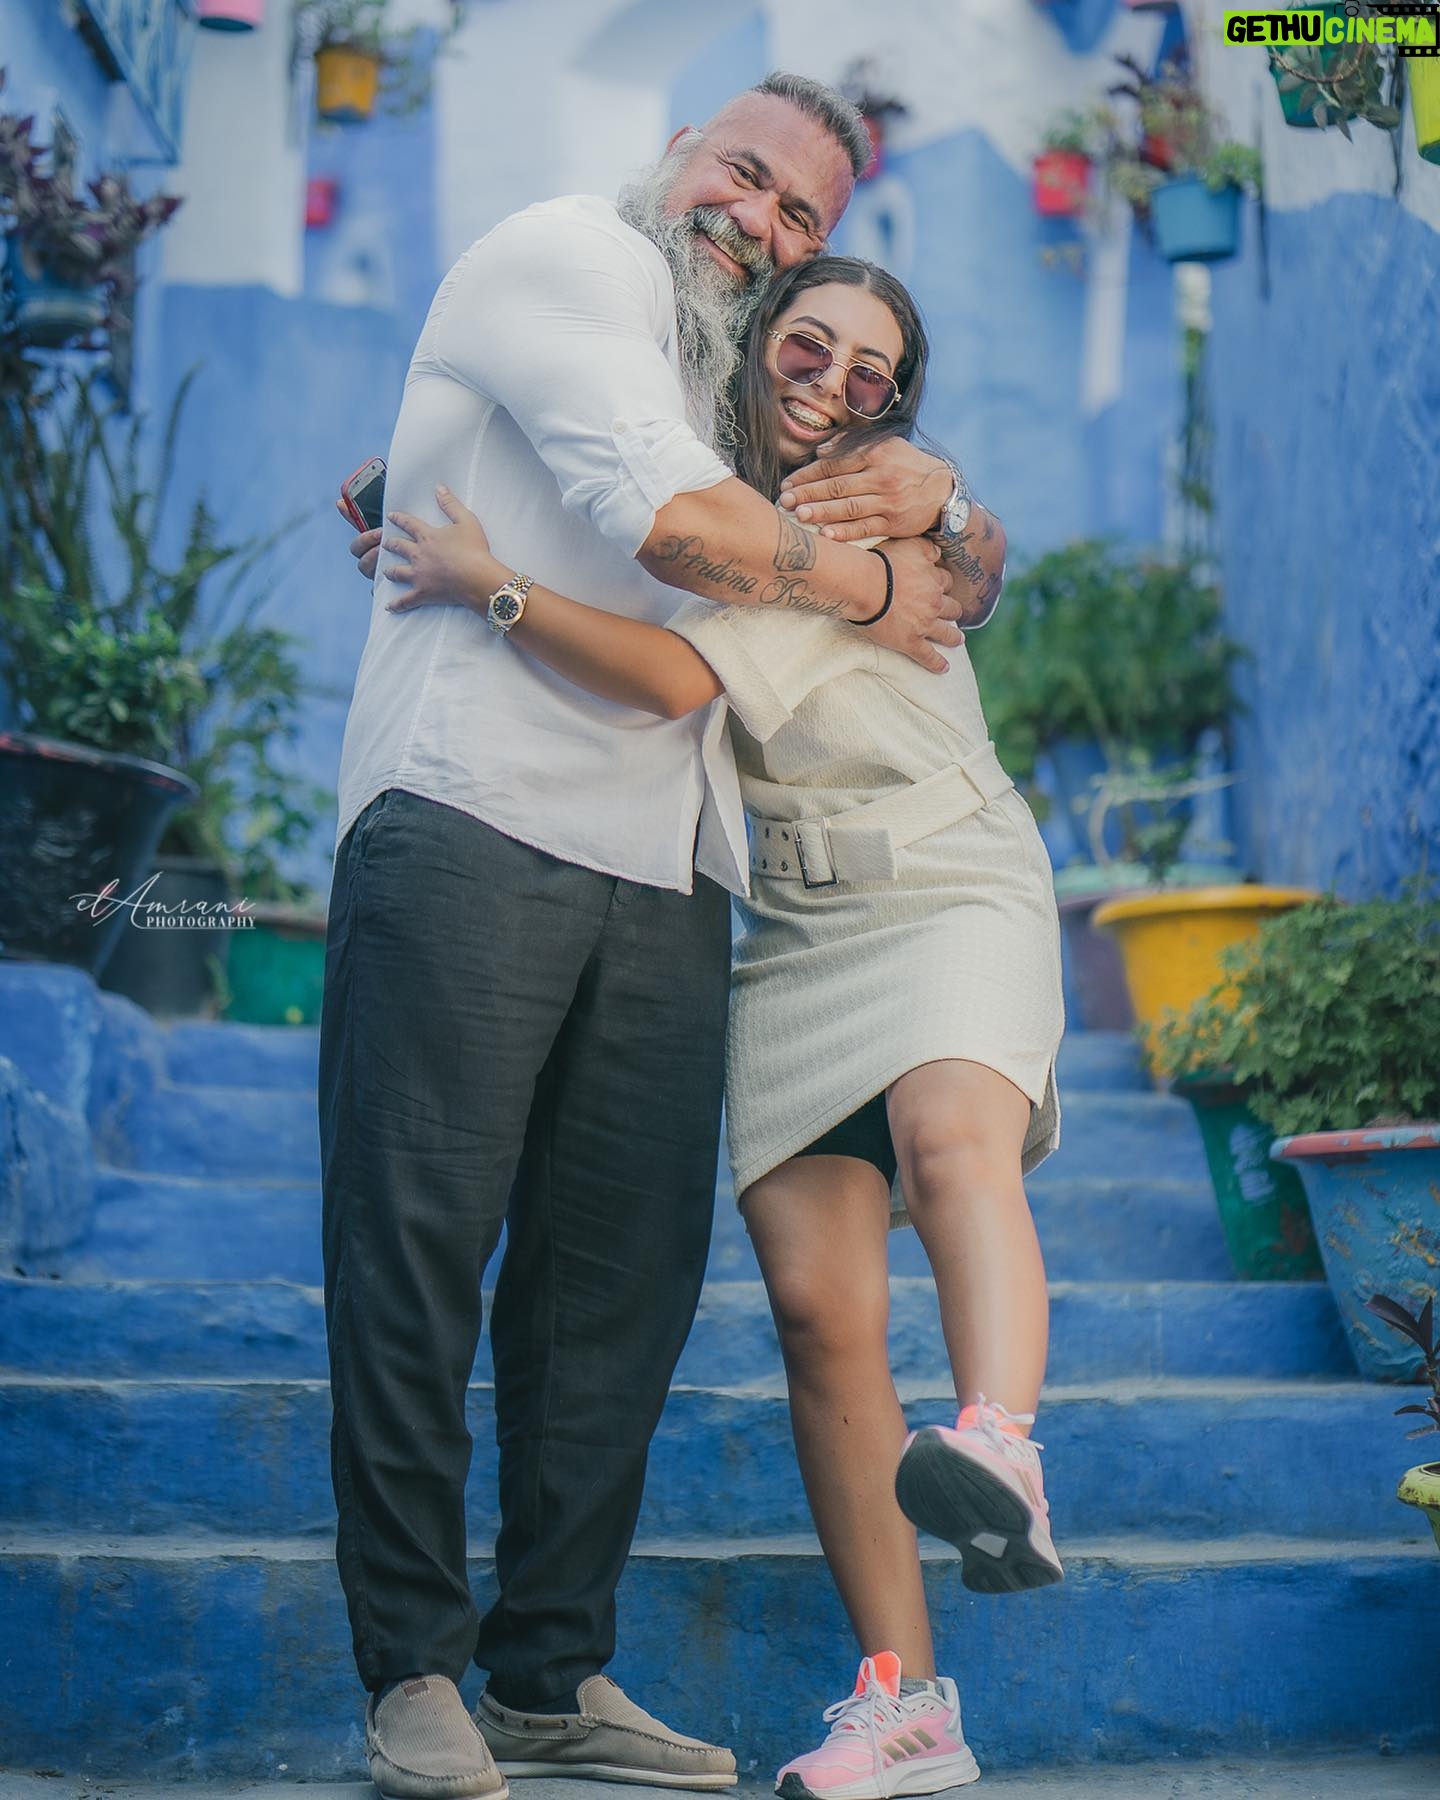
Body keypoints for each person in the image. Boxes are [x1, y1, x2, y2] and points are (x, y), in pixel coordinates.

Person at [323, 74, 992, 1800]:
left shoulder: (730, 364)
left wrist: (950, 514)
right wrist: (876, 584)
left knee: (616, 1293)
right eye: (743, 175)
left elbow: (914, 516)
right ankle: (413, 1669)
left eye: (796, 214)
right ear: (683, 146)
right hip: (470, 811)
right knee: (419, 1254)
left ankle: (550, 1675)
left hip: (672, 864)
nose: (755, 221)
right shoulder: (573, 254)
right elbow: (683, 528)